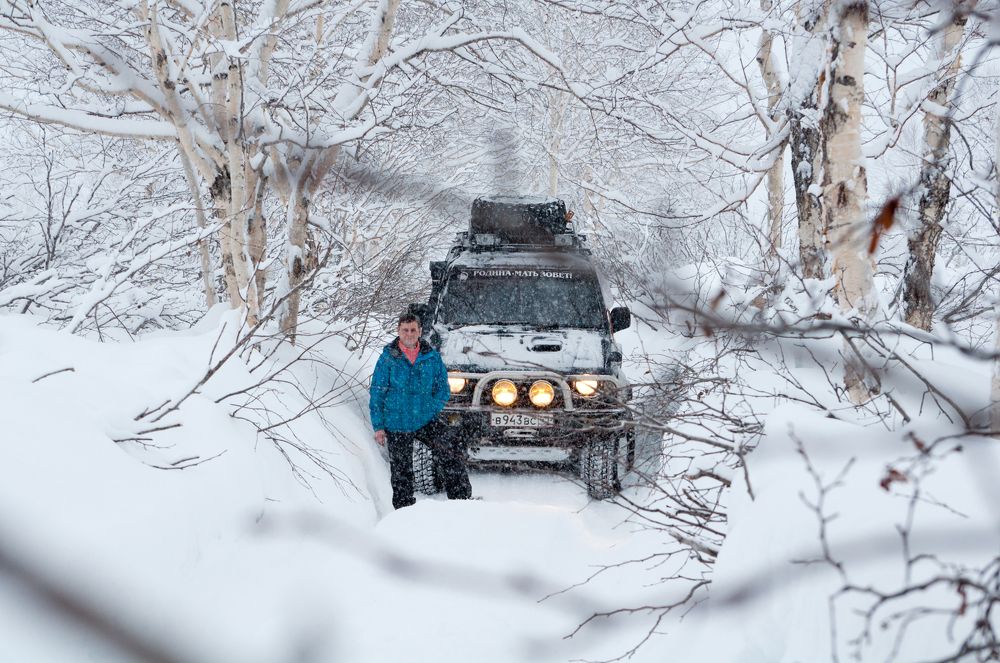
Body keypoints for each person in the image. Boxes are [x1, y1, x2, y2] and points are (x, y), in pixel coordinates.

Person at [369, 313, 472, 509]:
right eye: (405, 330)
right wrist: (379, 426)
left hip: (425, 419)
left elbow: (443, 388)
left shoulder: (431, 357)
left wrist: (430, 408)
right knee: (401, 471)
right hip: (396, 422)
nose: (409, 334)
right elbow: (377, 394)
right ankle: (404, 511)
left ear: (420, 331)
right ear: (398, 332)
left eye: (413, 330)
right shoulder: (388, 359)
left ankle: (461, 503)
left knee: (451, 450)